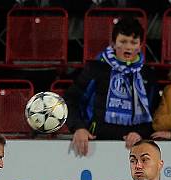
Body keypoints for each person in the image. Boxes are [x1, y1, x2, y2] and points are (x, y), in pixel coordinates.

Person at [64, 16, 158, 157]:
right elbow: (70, 100)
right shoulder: (96, 68)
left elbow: (154, 111)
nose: (128, 47)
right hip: (95, 143)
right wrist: (79, 128)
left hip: (133, 148)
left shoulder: (147, 75)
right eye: (123, 41)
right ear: (113, 43)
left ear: (140, 46)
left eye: (133, 42)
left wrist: (141, 133)